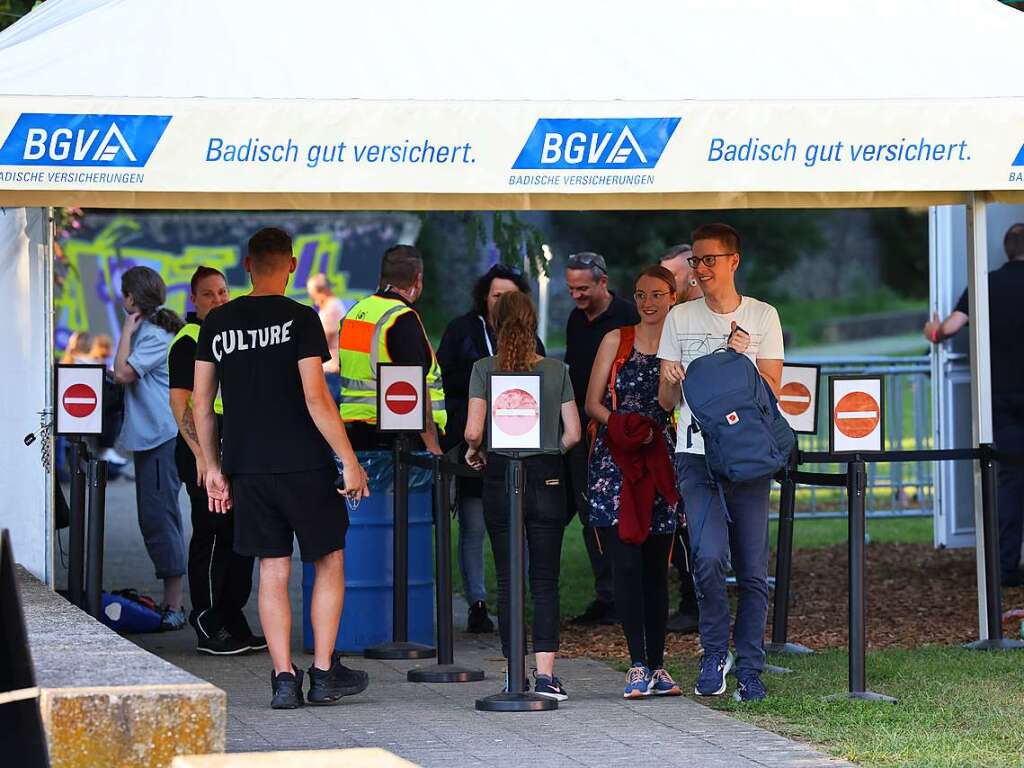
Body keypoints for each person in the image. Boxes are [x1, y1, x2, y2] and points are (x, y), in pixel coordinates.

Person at [193, 227, 371, 710]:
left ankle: (283, 679)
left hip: (246, 466)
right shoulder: (301, 319)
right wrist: (349, 461)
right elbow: (317, 397)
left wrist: (211, 465)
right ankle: (323, 670)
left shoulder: (218, 321)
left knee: (272, 567)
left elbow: (202, 404)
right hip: (304, 464)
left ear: (247, 265)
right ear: (291, 266)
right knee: (328, 559)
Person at [658, 223, 784, 703]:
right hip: (695, 455)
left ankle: (751, 666)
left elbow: (770, 391)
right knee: (707, 558)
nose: (701, 269)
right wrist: (670, 378)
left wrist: (737, 361)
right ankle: (715, 652)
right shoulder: (679, 318)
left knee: (752, 571)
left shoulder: (763, 316)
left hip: (748, 456)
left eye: (710, 260)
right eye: (696, 260)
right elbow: (667, 399)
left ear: (734, 261)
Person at [465, 291, 581, 701]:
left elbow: (474, 431)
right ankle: (547, 676)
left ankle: (515, 673)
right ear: (533, 325)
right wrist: (549, 452)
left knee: (508, 579)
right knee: (545, 579)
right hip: (547, 476)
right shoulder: (556, 370)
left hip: (501, 473)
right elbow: (574, 433)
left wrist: (473, 452)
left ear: (495, 324)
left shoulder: (484, 369)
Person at [585, 265, 684, 699]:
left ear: (673, 298)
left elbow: (672, 404)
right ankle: (637, 662)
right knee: (624, 562)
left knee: (655, 569)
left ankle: (659, 665)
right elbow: (592, 402)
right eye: (641, 294)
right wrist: (621, 425)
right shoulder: (615, 340)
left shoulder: (681, 344)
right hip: (615, 464)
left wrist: (663, 400)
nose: (647, 302)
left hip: (660, 460)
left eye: (657, 294)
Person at [437, 264, 545, 633]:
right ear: (485, 296)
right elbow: (443, 379)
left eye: (508, 296)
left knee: (521, 526)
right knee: (473, 525)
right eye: (496, 295)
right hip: (471, 442)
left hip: (519, 447)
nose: (501, 302)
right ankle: (478, 603)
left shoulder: (530, 336)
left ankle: (516, 602)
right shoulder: (462, 331)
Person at [924, 222, 1024, 587]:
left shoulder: (985, 285)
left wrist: (931, 329)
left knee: (1010, 482)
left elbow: (947, 329)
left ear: (1006, 249)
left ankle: (1006, 569)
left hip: (1001, 396)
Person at [168, 266, 260, 655]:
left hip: (236, 451)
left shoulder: (230, 337)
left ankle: (232, 615)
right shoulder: (188, 341)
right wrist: (204, 458)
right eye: (209, 294)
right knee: (212, 536)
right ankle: (207, 621)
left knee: (241, 538)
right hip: (204, 456)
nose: (219, 300)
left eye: (223, 292)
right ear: (194, 299)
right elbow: (180, 403)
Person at [563, 251, 640, 625]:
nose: (576, 296)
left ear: (603, 282)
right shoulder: (575, 321)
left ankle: (632, 590)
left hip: (620, 428)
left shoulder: (628, 317)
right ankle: (606, 594)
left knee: (628, 510)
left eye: (583, 289)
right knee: (590, 513)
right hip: (584, 431)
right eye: (571, 289)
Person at [113, 266, 188, 631]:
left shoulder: (154, 333)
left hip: (161, 436)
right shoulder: (152, 328)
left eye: (123, 294)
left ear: (131, 298)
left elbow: (122, 372)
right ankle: (171, 600)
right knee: (154, 516)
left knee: (160, 518)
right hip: (152, 437)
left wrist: (125, 329)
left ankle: (174, 605)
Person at [338, 244, 445, 454]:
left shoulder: (355, 312)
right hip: (399, 443)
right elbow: (415, 388)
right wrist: (433, 447)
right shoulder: (401, 318)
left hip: (356, 438)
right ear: (418, 280)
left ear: (381, 277)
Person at [659, 244, 702, 636]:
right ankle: (692, 598)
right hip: (678, 439)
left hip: (714, 440)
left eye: (668, 276)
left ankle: (700, 601)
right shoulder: (672, 321)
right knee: (683, 523)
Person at [306, 273, 349, 405]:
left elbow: (320, 342)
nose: (314, 301)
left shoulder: (331, 308)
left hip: (331, 372)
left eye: (314, 295)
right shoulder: (333, 306)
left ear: (323, 290)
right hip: (332, 372)